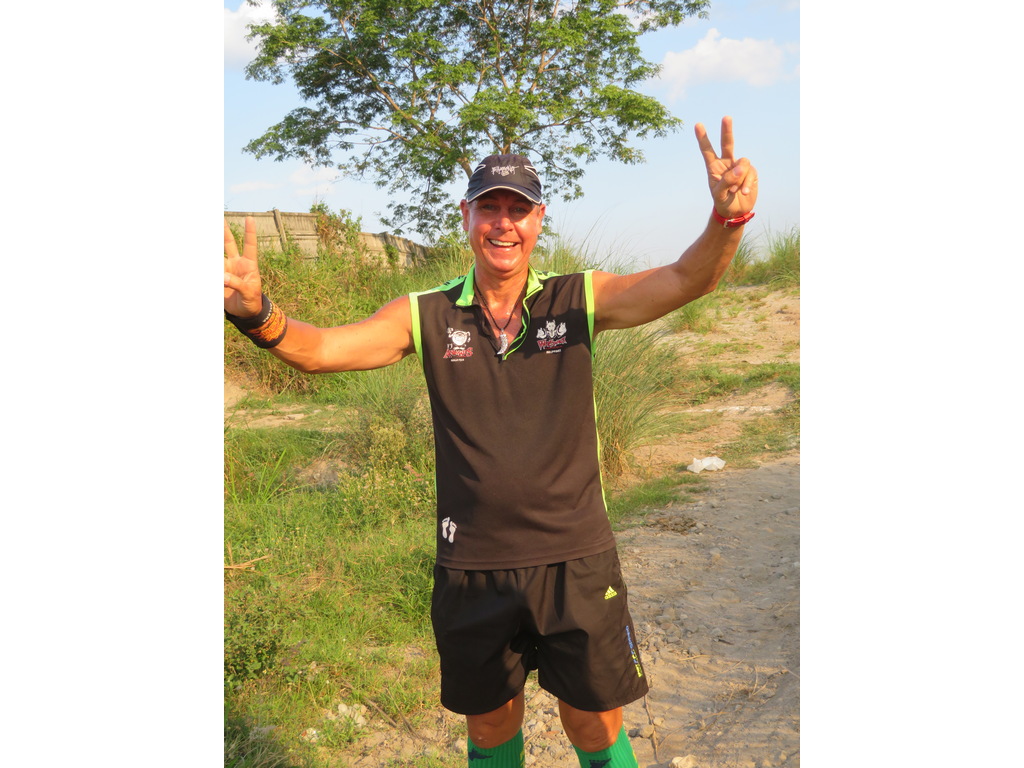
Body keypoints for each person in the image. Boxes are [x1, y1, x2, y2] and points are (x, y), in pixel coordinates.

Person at [224, 117, 758, 768]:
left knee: (594, 723)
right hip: (471, 565)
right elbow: (322, 350)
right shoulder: (424, 313)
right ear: (466, 217)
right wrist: (257, 314)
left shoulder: (577, 299)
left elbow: (685, 279)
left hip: (575, 559)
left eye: (518, 210)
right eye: (490, 208)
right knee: (490, 728)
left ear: (538, 222)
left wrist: (728, 219)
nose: (504, 224)